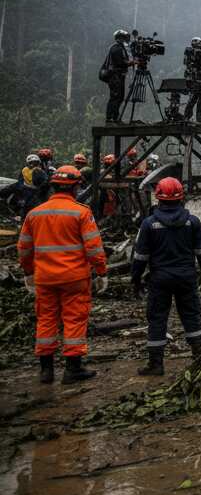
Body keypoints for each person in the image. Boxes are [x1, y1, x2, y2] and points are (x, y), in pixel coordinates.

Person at [17, 165, 107, 384]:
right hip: (74, 278)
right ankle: (73, 369)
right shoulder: (81, 212)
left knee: (46, 320)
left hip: (45, 278)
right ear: (75, 187)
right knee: (74, 319)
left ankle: (46, 371)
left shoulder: (34, 214)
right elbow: (94, 248)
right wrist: (101, 272)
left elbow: (24, 248)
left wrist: (29, 272)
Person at [132, 177, 201, 376]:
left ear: (158, 198)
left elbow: (140, 256)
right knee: (191, 315)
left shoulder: (149, 224)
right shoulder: (192, 222)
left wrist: (136, 280)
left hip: (160, 279)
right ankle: (199, 357)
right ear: (181, 198)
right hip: (186, 277)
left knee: (157, 318)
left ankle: (156, 364)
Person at [102, 29, 132, 123]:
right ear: (119, 38)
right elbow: (120, 63)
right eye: (124, 38)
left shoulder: (120, 48)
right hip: (114, 76)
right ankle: (110, 118)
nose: (125, 40)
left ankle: (115, 117)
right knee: (115, 96)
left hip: (119, 76)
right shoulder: (116, 48)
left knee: (120, 97)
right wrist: (131, 63)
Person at [18, 154, 47, 220]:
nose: (33, 165)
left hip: (37, 193)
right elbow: (20, 182)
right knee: (25, 208)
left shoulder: (39, 171)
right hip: (26, 192)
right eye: (31, 163)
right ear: (28, 163)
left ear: (38, 163)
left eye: (35, 163)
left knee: (36, 209)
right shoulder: (24, 170)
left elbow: (45, 183)